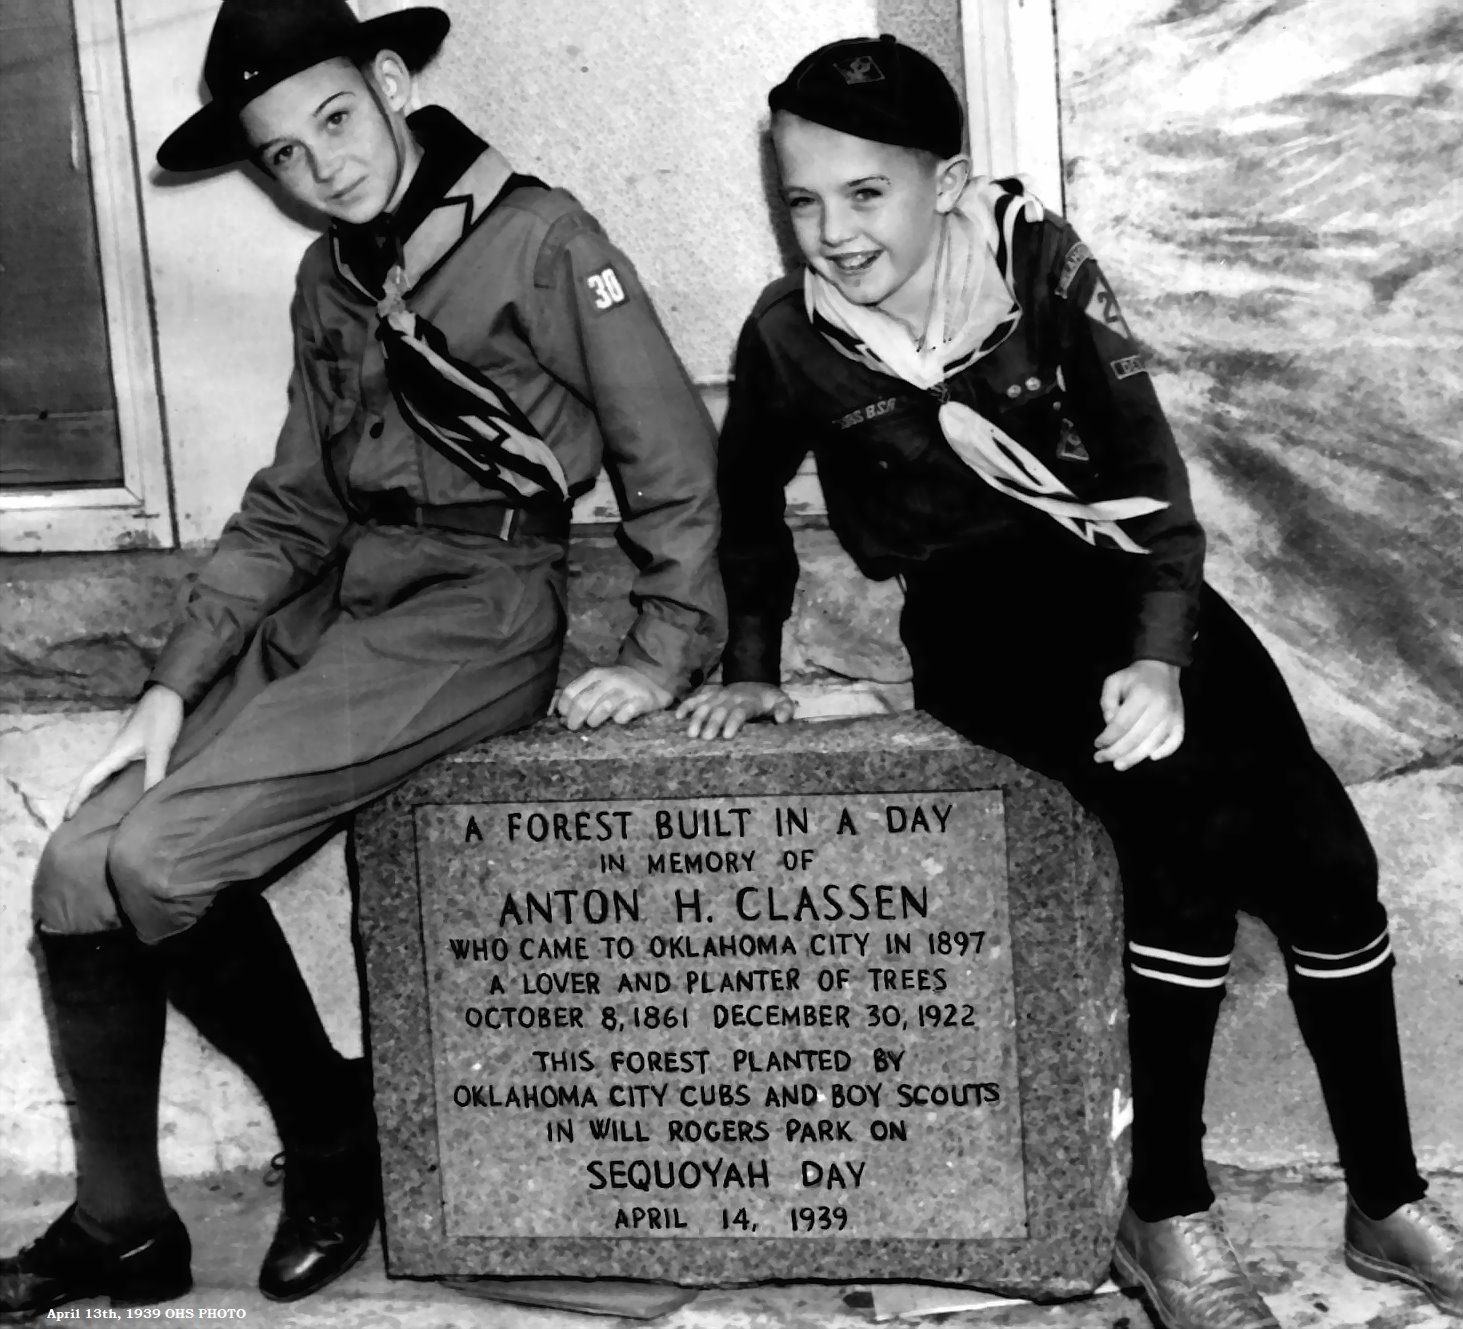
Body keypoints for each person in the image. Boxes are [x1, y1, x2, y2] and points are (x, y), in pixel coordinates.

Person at [678, 33, 1463, 1329]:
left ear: (946, 177)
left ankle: (1383, 1200)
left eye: (865, 192)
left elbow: (1148, 475)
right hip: (983, 616)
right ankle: (1165, 1206)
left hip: (1128, 583)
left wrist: (1158, 654)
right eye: (801, 199)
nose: (831, 229)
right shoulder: (791, 338)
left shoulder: (1036, 271)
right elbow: (746, 500)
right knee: (1187, 843)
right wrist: (753, 664)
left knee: (1329, 858)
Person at [0, 0, 724, 1318]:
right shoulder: (330, 278)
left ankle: (334, 1128)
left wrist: (665, 652)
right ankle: (123, 1224)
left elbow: (670, 463)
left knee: (163, 861)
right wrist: (173, 683)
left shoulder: (543, 239)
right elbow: (293, 503)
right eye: (282, 153)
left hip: (482, 605)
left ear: (390, 82)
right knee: (72, 868)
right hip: (346, 597)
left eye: (335, 119)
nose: (321, 165)